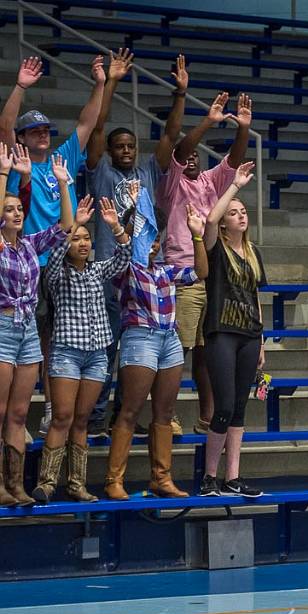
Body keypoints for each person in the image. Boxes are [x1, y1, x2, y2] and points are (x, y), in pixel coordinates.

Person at [1, 54, 106, 436]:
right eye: (36, 131)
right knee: (30, 338)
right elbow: (5, 125)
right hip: (27, 263)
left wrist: (99, 83)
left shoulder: (63, 158)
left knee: (58, 336)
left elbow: (88, 123)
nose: (43, 134)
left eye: (46, 130)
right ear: (24, 140)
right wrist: (20, 87)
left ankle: (48, 411)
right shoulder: (18, 161)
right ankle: (22, 416)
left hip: (63, 258)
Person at [86, 51, 185, 437]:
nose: (126, 150)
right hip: (114, 278)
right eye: (120, 147)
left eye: (130, 146)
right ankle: (95, 419)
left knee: (140, 358)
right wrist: (111, 81)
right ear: (111, 152)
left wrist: (179, 94)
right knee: (108, 350)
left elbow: (171, 137)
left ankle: (121, 418)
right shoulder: (102, 173)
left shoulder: (146, 170)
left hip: (146, 281)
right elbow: (96, 130)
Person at [156, 86, 252, 436]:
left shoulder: (212, 180)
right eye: (189, 155)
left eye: (198, 154)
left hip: (215, 278)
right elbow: (180, 148)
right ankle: (169, 414)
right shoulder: (171, 185)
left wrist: (242, 127)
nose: (192, 157)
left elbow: (234, 161)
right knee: (175, 354)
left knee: (206, 353)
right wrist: (209, 122)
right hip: (183, 278)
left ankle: (207, 415)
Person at [103, 186, 208, 501]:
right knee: (130, 410)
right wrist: (122, 229)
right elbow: (125, 256)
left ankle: (161, 478)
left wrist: (197, 236)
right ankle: (114, 480)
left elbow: (202, 272)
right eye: (146, 236)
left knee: (164, 413)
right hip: (140, 339)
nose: (153, 242)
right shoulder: (127, 268)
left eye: (156, 237)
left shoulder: (167, 270)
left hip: (169, 340)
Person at [33, 194, 131, 504]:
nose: (83, 243)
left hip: (96, 354)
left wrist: (115, 228)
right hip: (66, 352)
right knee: (62, 416)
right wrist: (74, 223)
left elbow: (124, 256)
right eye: (78, 239)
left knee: (81, 419)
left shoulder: (97, 271)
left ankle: (77, 484)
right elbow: (58, 247)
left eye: (87, 238)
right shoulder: (56, 273)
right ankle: (46, 483)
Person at [0, 149, 74, 507]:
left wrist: (62, 185)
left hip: (27, 327)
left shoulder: (29, 245)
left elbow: (66, 227)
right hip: (2, 323)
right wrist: (4, 175)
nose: (16, 213)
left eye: (18, 209)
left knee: (17, 412)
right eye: (9, 209)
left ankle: (15, 485)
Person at [198, 162, 266, 499]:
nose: (241, 215)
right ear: (225, 222)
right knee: (223, 405)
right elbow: (209, 220)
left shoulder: (253, 253)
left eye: (243, 212)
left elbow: (255, 296)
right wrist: (235, 186)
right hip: (221, 332)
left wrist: (263, 340)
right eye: (234, 212)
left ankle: (232, 477)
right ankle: (209, 477)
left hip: (250, 335)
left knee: (240, 406)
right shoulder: (215, 246)